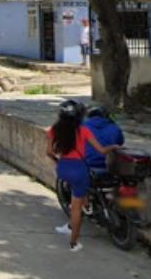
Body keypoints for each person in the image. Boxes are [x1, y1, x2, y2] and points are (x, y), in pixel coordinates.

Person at [47, 99, 118, 252]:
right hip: (79, 169)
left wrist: (58, 162)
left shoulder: (54, 129)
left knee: (76, 191)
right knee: (76, 208)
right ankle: (74, 243)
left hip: (63, 168)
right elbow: (102, 150)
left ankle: (84, 207)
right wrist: (113, 146)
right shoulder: (84, 130)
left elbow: (49, 152)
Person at [83, 106, 125, 173]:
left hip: (85, 165)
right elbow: (120, 142)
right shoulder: (115, 127)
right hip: (107, 166)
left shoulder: (82, 126)